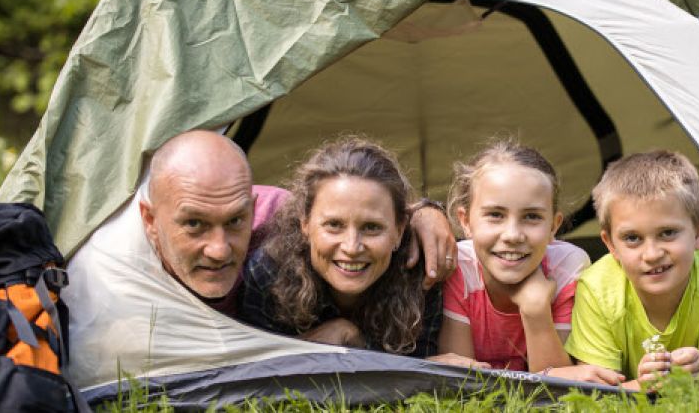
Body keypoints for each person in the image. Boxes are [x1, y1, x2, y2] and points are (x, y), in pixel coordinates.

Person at [137, 130, 457, 320]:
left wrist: (425, 212)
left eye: (236, 220)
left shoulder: (276, 216)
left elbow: (352, 207)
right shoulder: (117, 270)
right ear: (150, 220)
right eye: (195, 224)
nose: (219, 250)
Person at [562, 150, 699, 390]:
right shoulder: (597, 289)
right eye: (632, 238)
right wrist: (640, 386)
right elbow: (598, 391)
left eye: (668, 233)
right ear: (610, 245)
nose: (652, 254)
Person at [239, 137, 441, 356]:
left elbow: (423, 369)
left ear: (399, 231)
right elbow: (257, 369)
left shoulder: (423, 275)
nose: (352, 247)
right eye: (334, 225)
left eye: (371, 227)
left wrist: (354, 339)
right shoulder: (268, 272)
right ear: (305, 223)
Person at [434, 140, 590, 372]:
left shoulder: (567, 267)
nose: (513, 235)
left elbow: (556, 388)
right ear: (466, 222)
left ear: (554, 227)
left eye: (532, 217)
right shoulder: (460, 266)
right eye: (496, 215)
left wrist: (535, 310)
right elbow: (460, 379)